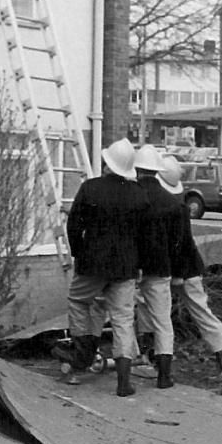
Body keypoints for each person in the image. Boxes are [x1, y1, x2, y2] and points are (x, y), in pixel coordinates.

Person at [57, 138, 146, 398]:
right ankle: (123, 381)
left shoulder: (90, 188)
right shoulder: (139, 194)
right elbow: (143, 235)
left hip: (92, 264)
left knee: (78, 300)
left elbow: (74, 225)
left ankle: (82, 353)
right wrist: (138, 264)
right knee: (122, 319)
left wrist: (78, 254)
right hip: (126, 266)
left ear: (107, 163)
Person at [157, 155, 222, 395]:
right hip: (188, 269)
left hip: (182, 270)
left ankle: (153, 358)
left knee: (167, 314)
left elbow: (177, 245)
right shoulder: (179, 206)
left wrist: (178, 275)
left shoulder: (168, 208)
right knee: (203, 314)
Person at [134, 143, 179, 388]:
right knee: (163, 320)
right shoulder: (171, 202)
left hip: (131, 267)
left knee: (128, 315)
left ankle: (141, 357)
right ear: (157, 171)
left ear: (138, 169)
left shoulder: (130, 197)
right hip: (161, 269)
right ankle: (164, 375)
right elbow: (178, 241)